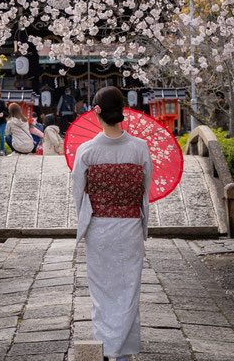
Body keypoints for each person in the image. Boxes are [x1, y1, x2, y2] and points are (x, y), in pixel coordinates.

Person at [72, 86, 153, 361]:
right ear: (121, 110)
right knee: (129, 288)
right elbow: (145, 188)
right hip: (130, 226)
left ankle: (105, 346)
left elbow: (78, 195)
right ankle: (124, 351)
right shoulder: (140, 149)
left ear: (97, 112)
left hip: (99, 228)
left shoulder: (87, 151)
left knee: (102, 290)